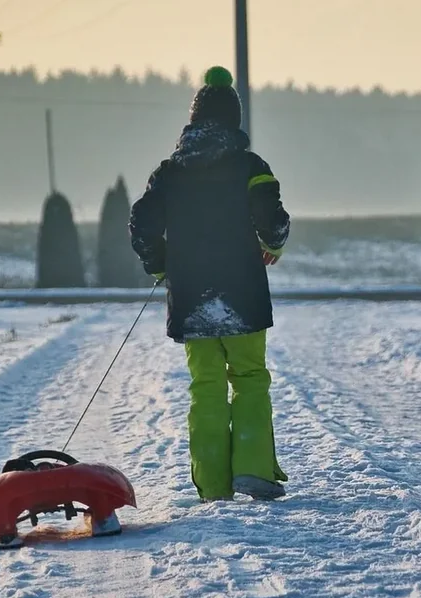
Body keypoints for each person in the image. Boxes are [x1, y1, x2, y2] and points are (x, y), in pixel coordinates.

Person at [129, 66, 290, 502]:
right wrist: (272, 244)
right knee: (250, 377)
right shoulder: (251, 167)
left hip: (191, 296)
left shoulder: (168, 174)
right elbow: (273, 223)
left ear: (194, 121)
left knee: (206, 385)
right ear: (234, 121)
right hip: (244, 294)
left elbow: (141, 223)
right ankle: (255, 471)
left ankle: (213, 484)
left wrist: (160, 265)